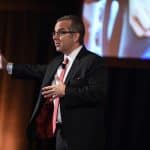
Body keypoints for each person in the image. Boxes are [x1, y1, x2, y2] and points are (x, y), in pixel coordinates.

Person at [0, 15, 108, 150]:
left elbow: (98, 93)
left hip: (84, 138)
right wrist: (7, 66)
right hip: (61, 135)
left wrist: (65, 91)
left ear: (75, 36)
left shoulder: (92, 61)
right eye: (54, 33)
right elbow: (34, 70)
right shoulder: (57, 62)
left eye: (61, 33)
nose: (55, 37)